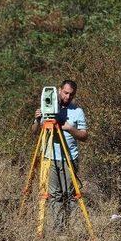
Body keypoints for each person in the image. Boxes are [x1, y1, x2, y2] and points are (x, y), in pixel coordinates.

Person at [31, 80, 88, 232]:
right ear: (59, 90)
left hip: (69, 158)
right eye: (65, 92)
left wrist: (70, 128)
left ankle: (71, 228)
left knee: (69, 194)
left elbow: (84, 136)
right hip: (50, 156)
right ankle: (58, 230)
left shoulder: (77, 111)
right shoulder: (47, 106)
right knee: (55, 195)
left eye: (71, 94)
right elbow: (34, 131)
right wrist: (37, 120)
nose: (68, 97)